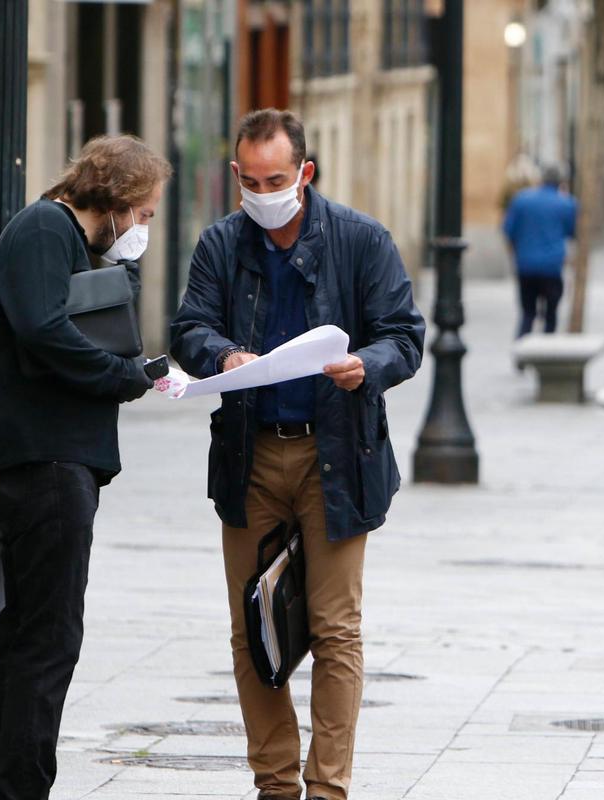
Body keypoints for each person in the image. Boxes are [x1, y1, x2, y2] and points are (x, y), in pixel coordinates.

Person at [169, 109, 424, 800]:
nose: (262, 191)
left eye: (275, 178)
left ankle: (328, 787)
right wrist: (224, 354)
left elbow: (404, 333)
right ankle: (275, 783)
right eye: (249, 180)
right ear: (235, 176)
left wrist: (364, 366)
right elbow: (188, 326)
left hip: (335, 454)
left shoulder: (361, 239)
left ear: (305, 172)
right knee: (253, 625)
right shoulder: (221, 245)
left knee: (335, 628)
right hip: (251, 456)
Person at [0, 134, 170, 800]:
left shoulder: (62, 237)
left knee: (33, 636)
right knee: (47, 640)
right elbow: (44, 331)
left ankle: (17, 786)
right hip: (44, 469)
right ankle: (24, 789)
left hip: (51, 466)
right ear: (115, 200)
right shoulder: (43, 231)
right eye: (143, 214)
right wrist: (122, 376)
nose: (143, 228)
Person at [502, 163, 578, 338]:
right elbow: (571, 232)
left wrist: (516, 253)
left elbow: (508, 230)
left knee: (528, 313)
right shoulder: (567, 203)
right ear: (561, 182)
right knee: (551, 316)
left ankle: (521, 353)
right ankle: (546, 349)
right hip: (552, 267)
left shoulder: (521, 200)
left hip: (526, 266)